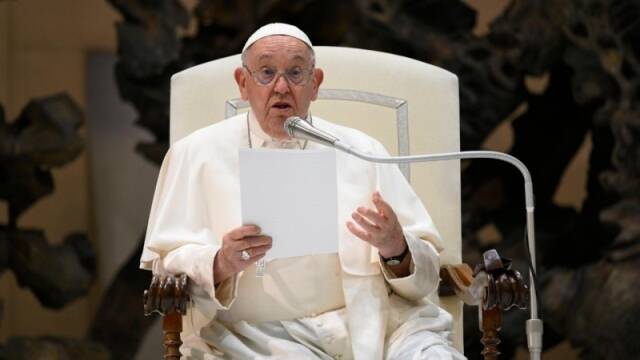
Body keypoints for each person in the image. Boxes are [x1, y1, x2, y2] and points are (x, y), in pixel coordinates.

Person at [141, 23, 466, 360]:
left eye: (296, 73)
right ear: (243, 83)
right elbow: (167, 269)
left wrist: (396, 249)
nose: (281, 87)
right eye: (266, 73)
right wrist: (220, 262)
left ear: (315, 84)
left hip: (374, 325)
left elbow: (425, 278)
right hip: (253, 340)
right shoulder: (195, 153)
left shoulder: (361, 150)